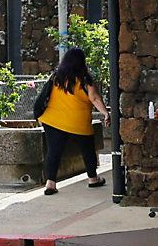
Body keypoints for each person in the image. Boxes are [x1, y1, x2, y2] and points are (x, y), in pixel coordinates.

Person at [36, 47, 109, 195]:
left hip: (53, 120)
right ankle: (93, 179)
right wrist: (105, 113)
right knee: (88, 150)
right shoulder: (85, 79)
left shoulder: (57, 77)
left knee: (53, 152)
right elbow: (94, 98)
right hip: (78, 122)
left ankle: (51, 184)